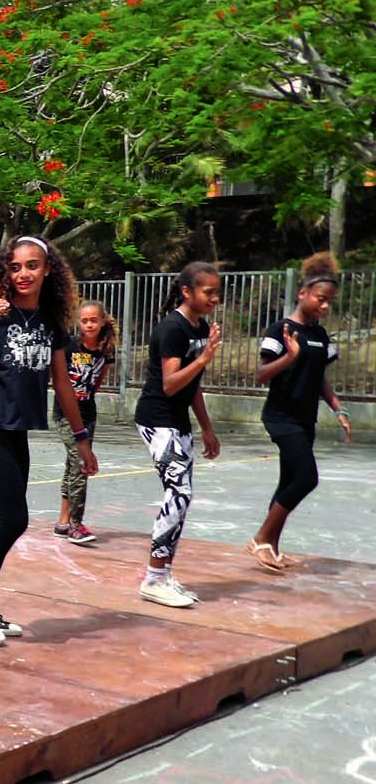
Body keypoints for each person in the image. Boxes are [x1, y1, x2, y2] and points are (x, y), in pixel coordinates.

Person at [0, 235, 96, 645]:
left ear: (48, 269)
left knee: (7, 520)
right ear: (4, 273)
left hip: (17, 434)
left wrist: (81, 438)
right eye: (15, 267)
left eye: (32, 265)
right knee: (14, 519)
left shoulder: (52, 323)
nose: (24, 273)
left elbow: (63, 385)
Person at [247, 252, 350, 570]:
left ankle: (272, 549)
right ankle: (260, 538)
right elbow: (263, 375)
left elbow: (320, 377)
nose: (324, 306)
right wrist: (289, 357)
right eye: (320, 299)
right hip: (281, 417)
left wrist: (338, 409)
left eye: (329, 301)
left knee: (288, 481)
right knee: (306, 478)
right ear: (303, 293)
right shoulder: (281, 329)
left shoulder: (319, 335)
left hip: (306, 419)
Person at [133, 261, 223, 608]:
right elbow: (171, 384)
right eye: (208, 292)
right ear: (187, 292)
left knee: (182, 497)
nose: (215, 298)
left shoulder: (199, 327)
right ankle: (154, 578)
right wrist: (203, 359)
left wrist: (206, 428)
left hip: (178, 421)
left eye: (217, 292)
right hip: (157, 419)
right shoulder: (172, 328)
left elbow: (191, 387)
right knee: (179, 492)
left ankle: (164, 572)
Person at [52, 300, 117, 546]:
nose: (89, 324)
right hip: (66, 414)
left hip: (88, 412)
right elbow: (60, 381)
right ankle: (76, 525)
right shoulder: (68, 346)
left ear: (102, 322)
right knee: (81, 462)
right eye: (84, 320)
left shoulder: (106, 350)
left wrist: (86, 397)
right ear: (78, 323)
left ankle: (63, 520)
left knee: (73, 464)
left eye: (93, 320)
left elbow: (98, 381)